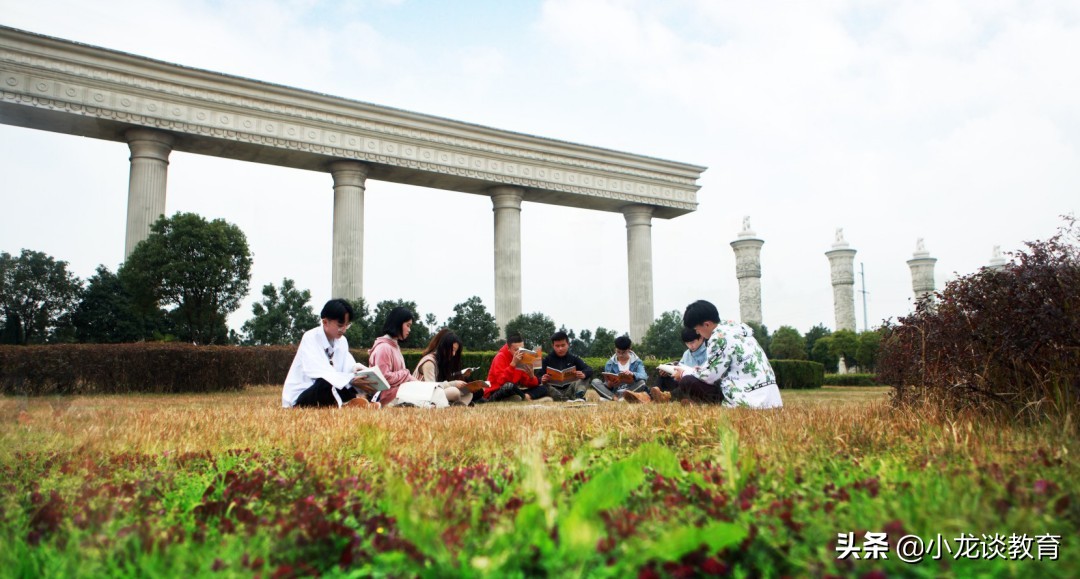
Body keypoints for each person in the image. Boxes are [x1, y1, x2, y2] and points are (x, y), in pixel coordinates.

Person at [666, 299, 782, 408]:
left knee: (688, 381)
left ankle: (683, 399)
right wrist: (699, 369)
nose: (697, 332)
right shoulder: (737, 330)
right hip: (771, 399)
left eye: (697, 329)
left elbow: (710, 376)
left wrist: (684, 373)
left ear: (707, 324)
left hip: (749, 400)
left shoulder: (719, 337)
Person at [281, 299, 378, 409]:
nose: (344, 329)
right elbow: (319, 371)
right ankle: (348, 404)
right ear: (325, 322)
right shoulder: (310, 337)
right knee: (328, 383)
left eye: (347, 325)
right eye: (340, 325)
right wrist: (350, 379)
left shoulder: (342, 341)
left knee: (356, 382)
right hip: (303, 394)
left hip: (328, 390)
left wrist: (358, 373)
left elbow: (347, 366)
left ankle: (361, 403)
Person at [369, 306, 465, 408]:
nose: (409, 330)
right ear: (398, 323)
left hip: (402, 390)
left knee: (439, 394)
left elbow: (406, 377)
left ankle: (436, 405)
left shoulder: (394, 346)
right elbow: (383, 378)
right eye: (408, 325)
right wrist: (404, 374)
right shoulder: (384, 347)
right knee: (444, 394)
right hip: (390, 395)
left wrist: (419, 384)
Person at [413, 328, 474, 406]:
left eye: (455, 351)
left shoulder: (442, 361)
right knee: (454, 391)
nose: (454, 354)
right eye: (453, 350)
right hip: (423, 394)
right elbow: (431, 387)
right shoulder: (429, 362)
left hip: (437, 393)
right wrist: (454, 383)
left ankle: (454, 405)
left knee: (468, 393)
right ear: (444, 348)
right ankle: (454, 404)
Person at [482, 332, 548, 402]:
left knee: (543, 388)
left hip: (513, 391)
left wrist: (531, 376)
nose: (520, 352)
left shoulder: (522, 358)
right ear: (508, 348)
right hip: (495, 392)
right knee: (509, 386)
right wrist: (513, 364)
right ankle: (525, 399)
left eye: (522, 349)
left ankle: (521, 397)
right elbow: (501, 382)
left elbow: (526, 383)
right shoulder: (500, 357)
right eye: (516, 350)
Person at [590, 335, 648, 401]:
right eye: (618, 352)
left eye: (623, 352)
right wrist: (610, 384)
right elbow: (607, 383)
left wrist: (633, 374)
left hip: (631, 390)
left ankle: (617, 398)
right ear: (615, 349)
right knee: (595, 381)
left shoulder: (637, 362)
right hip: (615, 392)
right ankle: (615, 398)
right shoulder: (609, 364)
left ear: (629, 349)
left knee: (642, 382)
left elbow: (644, 376)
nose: (620, 355)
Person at [540, 330, 593, 401]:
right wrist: (542, 379)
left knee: (586, 376)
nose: (560, 348)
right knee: (543, 385)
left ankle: (578, 396)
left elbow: (589, 369)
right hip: (554, 391)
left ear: (568, 344)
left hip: (570, 390)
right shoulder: (547, 360)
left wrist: (583, 374)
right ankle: (565, 399)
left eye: (563, 345)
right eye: (557, 346)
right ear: (553, 346)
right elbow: (538, 376)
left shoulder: (574, 358)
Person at [656, 327, 708, 392]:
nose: (690, 346)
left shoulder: (708, 352)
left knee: (687, 381)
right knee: (663, 377)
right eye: (687, 343)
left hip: (698, 384)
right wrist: (668, 372)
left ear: (701, 338)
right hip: (682, 382)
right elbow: (679, 367)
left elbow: (706, 374)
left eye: (692, 342)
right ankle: (652, 396)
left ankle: (671, 396)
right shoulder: (686, 354)